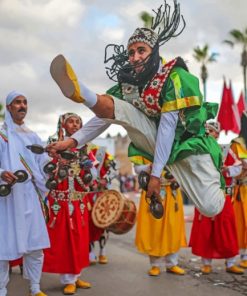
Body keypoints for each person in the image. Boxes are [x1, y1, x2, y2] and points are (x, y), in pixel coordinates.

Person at [47, 0, 225, 218]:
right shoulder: (130, 84)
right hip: (156, 140)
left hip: (189, 145)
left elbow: (169, 128)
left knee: (211, 207)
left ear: (155, 51)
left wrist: (156, 175)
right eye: (131, 53)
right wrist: (74, 141)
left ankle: (209, 184)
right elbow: (106, 117)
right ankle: (82, 93)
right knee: (123, 107)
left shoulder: (175, 77)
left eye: (141, 50)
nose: (135, 57)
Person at [0, 91, 50, 296]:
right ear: (9, 107)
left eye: (25, 102)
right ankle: (1, 289)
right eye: (17, 102)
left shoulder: (33, 136)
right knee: (3, 246)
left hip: (30, 194)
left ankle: (35, 287)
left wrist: (53, 165)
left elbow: (43, 164)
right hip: (8, 197)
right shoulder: (1, 136)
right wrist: (2, 173)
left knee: (35, 244)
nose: (22, 105)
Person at [43, 113, 93, 295]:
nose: (75, 124)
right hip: (60, 201)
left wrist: (87, 166)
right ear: (63, 125)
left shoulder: (85, 147)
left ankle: (76, 275)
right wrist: (57, 162)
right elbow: (45, 172)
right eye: (71, 121)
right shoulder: (53, 146)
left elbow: (91, 175)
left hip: (79, 201)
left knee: (79, 238)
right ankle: (68, 279)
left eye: (78, 122)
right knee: (64, 239)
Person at [189, 121, 244, 275]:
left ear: (217, 134)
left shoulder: (225, 150)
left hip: (223, 195)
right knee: (205, 229)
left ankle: (230, 262)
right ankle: (206, 263)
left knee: (227, 228)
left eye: (212, 131)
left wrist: (226, 170)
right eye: (207, 132)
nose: (209, 134)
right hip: (204, 195)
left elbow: (238, 167)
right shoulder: (198, 151)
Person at [133, 156, 187, 276]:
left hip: (172, 191)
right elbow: (136, 168)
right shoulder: (142, 145)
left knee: (172, 228)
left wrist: (177, 176)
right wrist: (149, 167)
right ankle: (155, 265)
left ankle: (172, 264)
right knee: (154, 229)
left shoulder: (176, 144)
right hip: (153, 192)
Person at [86, 142, 117, 265]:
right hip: (89, 194)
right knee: (89, 223)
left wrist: (106, 179)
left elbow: (115, 168)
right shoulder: (81, 154)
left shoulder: (103, 153)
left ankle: (103, 251)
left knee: (105, 222)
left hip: (103, 194)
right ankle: (91, 252)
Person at [229, 112, 247, 269]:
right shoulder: (237, 144)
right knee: (240, 224)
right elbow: (242, 164)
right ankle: (242, 256)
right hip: (242, 191)